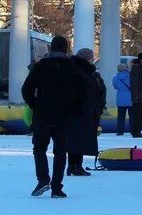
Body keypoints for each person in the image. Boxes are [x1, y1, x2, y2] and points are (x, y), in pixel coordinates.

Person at [21, 35, 84, 198]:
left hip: (43, 114)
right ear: (66, 48)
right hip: (64, 116)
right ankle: (57, 187)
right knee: (61, 152)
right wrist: (75, 109)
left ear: (51, 48)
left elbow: (26, 89)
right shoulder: (73, 67)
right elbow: (82, 92)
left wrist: (35, 104)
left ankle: (43, 179)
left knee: (39, 149)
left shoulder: (40, 66)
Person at [67, 49, 105, 177]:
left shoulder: (76, 70)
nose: (92, 59)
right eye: (91, 57)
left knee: (75, 139)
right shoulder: (84, 72)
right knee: (80, 139)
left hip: (79, 111)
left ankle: (73, 165)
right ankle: (76, 165)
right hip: (83, 111)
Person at [112, 63, 132, 136]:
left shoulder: (115, 78)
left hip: (120, 100)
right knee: (131, 116)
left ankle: (120, 131)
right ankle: (132, 130)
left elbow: (115, 87)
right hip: (130, 99)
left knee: (120, 117)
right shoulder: (130, 77)